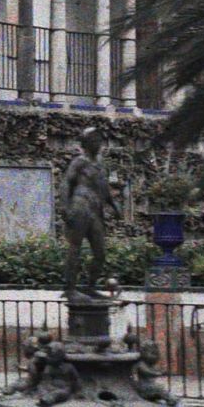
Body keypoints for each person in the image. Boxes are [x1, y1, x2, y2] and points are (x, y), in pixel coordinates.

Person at [59, 125, 117, 298]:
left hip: (95, 210)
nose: (98, 143)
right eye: (94, 140)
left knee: (100, 253)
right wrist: (65, 207)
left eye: (99, 140)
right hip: (79, 207)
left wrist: (113, 204)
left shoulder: (99, 164)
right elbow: (66, 183)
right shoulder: (79, 161)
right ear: (86, 143)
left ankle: (90, 286)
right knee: (74, 249)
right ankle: (69, 288)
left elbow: (103, 187)